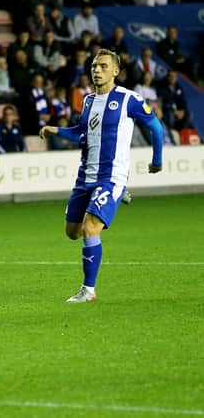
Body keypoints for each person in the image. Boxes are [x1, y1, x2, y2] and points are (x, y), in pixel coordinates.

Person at [39, 48, 163, 303]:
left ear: (115, 71)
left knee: (89, 228)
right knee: (72, 232)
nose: (97, 70)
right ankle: (118, 196)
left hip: (111, 175)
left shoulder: (129, 99)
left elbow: (156, 127)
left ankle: (88, 290)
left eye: (103, 66)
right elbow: (80, 133)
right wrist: (56, 130)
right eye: (94, 66)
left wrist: (157, 160)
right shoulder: (87, 101)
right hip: (85, 177)